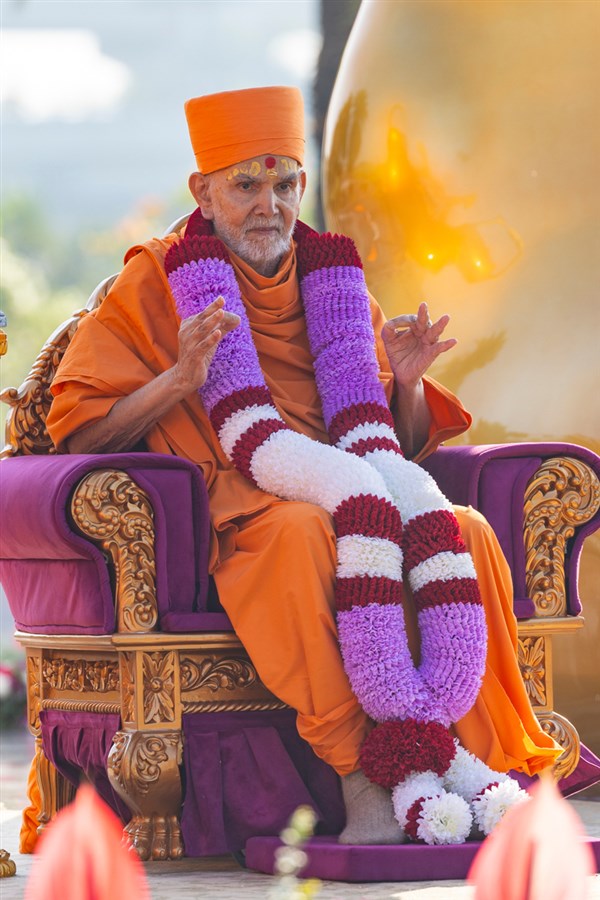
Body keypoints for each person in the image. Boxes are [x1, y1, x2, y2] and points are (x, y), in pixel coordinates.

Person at [43, 86, 559, 845]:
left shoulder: (332, 278)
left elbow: (393, 445)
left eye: (284, 184)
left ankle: (470, 771)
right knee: (303, 537)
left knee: (466, 530)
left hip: (354, 481)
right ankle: (366, 778)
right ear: (203, 192)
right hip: (244, 498)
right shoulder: (156, 282)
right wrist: (178, 381)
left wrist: (406, 382)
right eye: (245, 185)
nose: (268, 206)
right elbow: (78, 436)